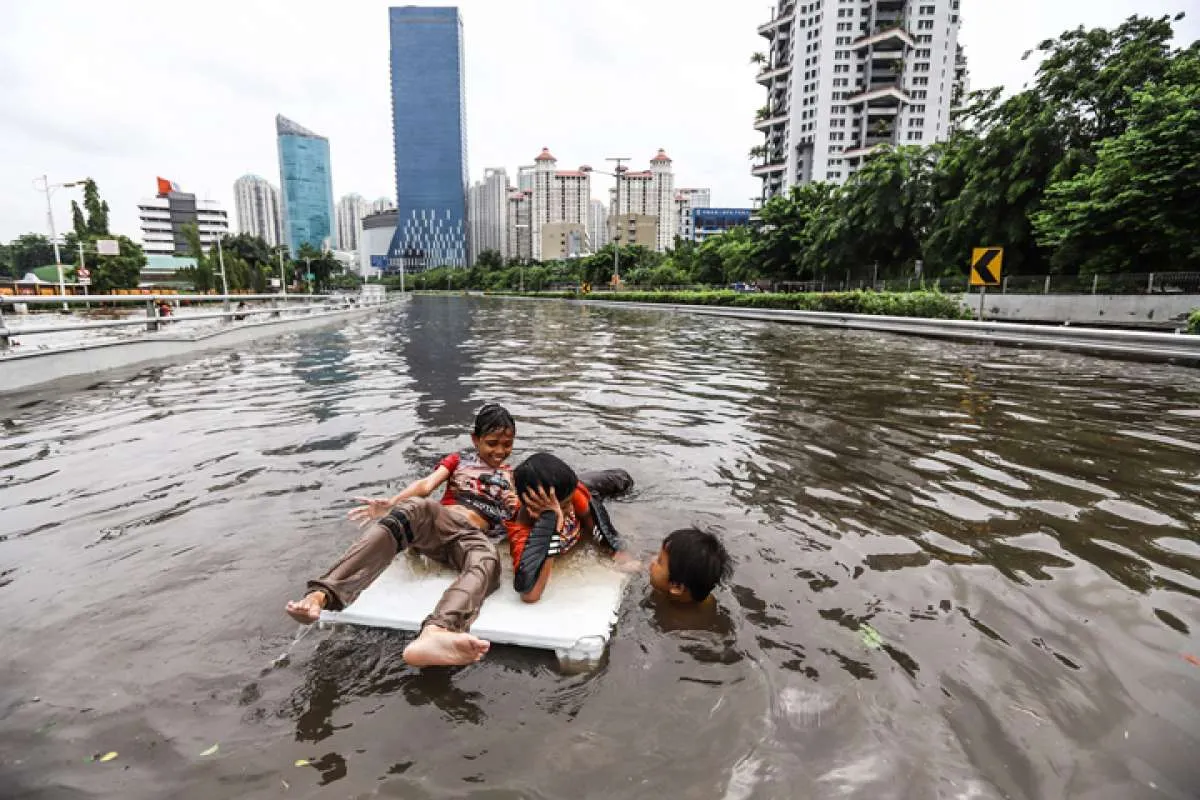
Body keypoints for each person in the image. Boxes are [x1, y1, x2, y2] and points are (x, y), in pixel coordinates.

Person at [284, 404, 519, 667]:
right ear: (475, 439)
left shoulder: (515, 478)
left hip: (473, 537)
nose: (499, 451)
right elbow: (425, 486)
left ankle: (438, 630)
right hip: (440, 521)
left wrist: (517, 506)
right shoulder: (459, 461)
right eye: (492, 443)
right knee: (415, 508)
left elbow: (521, 524)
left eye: (507, 444)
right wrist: (392, 503)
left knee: (488, 562)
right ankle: (320, 595)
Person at [507, 453, 640, 603]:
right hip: (562, 498)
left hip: (588, 487)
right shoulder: (522, 532)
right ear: (532, 508)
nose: (570, 508)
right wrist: (552, 526)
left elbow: (597, 526)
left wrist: (616, 553)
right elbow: (531, 595)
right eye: (564, 507)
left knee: (623, 478)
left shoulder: (573, 495)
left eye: (568, 503)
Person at [647, 527, 733, 604]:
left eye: (659, 561)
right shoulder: (697, 589)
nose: (652, 560)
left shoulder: (674, 619)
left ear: (677, 587)